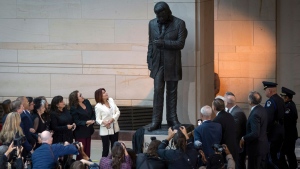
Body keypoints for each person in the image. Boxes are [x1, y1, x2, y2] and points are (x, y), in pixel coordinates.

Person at [147, 1, 188, 131]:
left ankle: (172, 119)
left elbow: (180, 44)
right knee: (158, 91)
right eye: (157, 16)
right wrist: (149, 60)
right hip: (157, 63)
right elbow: (150, 44)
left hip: (172, 63)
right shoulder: (152, 23)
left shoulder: (179, 23)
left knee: (171, 92)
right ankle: (156, 120)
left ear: (167, 12)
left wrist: (163, 43)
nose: (158, 18)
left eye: (161, 16)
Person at [239, 91, 268, 169]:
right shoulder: (262, 109)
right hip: (262, 147)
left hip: (256, 149)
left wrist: (243, 138)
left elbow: (255, 133)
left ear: (250, 101)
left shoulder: (255, 113)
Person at [262, 81, 285, 168]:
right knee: (276, 156)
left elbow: (268, 119)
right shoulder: (280, 100)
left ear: (270, 90)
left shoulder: (270, 102)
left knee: (271, 157)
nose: (265, 92)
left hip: (273, 134)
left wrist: (265, 132)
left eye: (265, 90)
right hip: (280, 131)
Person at [69, 90, 95, 160]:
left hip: (88, 130)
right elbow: (76, 121)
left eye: (81, 94)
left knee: (87, 151)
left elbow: (92, 113)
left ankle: (87, 165)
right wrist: (86, 122)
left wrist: (92, 120)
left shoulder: (87, 102)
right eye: (80, 95)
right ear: (76, 99)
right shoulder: (73, 108)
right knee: (81, 151)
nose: (82, 96)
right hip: (80, 132)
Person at [94, 88, 120, 157]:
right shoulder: (98, 106)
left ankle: (115, 163)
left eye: (105, 92)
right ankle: (104, 164)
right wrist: (103, 122)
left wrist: (113, 119)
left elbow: (118, 111)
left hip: (114, 127)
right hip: (105, 129)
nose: (106, 93)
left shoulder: (111, 100)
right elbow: (97, 119)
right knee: (106, 149)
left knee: (115, 148)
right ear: (99, 96)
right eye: (103, 93)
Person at [224, 92, 247, 169]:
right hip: (236, 145)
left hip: (237, 146)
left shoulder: (237, 113)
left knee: (238, 165)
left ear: (227, 103)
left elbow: (235, 132)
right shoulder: (233, 111)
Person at [212, 98, 238, 163]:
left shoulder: (217, 120)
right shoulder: (230, 116)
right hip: (233, 148)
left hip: (224, 150)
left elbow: (217, 137)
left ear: (214, 108)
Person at [279, 87, 298, 169]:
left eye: (283, 97)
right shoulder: (289, 105)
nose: (282, 98)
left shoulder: (289, 107)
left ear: (286, 98)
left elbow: (286, 120)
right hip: (289, 135)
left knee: (285, 153)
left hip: (289, 135)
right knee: (289, 153)